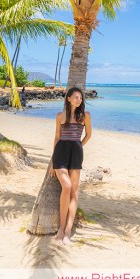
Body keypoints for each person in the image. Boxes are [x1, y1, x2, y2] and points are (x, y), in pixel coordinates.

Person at [48, 86, 92, 245]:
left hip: (76, 153)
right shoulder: (60, 116)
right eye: (76, 97)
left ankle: (67, 230)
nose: (79, 100)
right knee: (66, 187)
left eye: (80, 98)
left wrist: (79, 145)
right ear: (68, 98)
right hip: (60, 152)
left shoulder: (85, 116)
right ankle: (61, 227)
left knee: (74, 191)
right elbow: (56, 137)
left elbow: (89, 134)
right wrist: (53, 161)